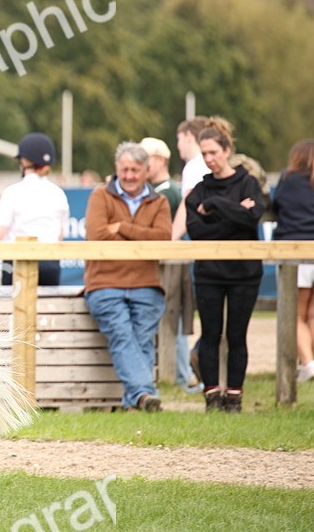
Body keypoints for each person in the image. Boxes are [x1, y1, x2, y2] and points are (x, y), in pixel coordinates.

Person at [83, 142, 172, 412]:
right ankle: (145, 394)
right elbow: (97, 234)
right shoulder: (100, 196)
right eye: (125, 170)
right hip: (104, 283)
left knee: (140, 341)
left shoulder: (160, 201)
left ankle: (135, 402)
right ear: (116, 169)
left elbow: (163, 237)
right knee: (124, 336)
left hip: (147, 285)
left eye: (135, 170)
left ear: (147, 171)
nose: (130, 175)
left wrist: (121, 227)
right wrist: (141, 233)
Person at [185, 118, 266, 413]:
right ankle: (211, 396)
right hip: (208, 272)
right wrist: (234, 213)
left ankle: (234, 397)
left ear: (227, 149)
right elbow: (197, 231)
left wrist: (216, 207)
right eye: (203, 154)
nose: (209, 160)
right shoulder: (198, 191)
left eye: (213, 153)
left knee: (236, 336)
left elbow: (252, 218)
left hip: (245, 273)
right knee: (210, 334)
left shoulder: (248, 183)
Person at [0, 132, 69, 286]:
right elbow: (60, 234)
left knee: (12, 309)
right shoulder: (59, 193)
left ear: (24, 161)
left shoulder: (13, 192)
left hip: (17, 263)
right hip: (50, 265)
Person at [141, 136, 197, 391]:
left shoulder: (167, 192)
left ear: (160, 159)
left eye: (145, 158)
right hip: (168, 260)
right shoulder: (161, 189)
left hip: (172, 261)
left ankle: (181, 376)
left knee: (173, 317)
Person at [273, 138, 314, 383]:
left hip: (295, 248)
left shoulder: (289, 179)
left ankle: (308, 363)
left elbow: (277, 206)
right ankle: (312, 361)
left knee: (296, 315)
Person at [171, 116, 211, 240]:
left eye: (179, 139)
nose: (178, 146)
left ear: (188, 135)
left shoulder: (194, 166)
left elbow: (187, 205)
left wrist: (171, 239)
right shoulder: (208, 163)